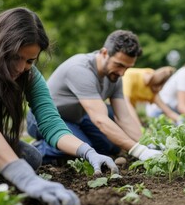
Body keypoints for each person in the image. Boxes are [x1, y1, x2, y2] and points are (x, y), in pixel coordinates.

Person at [0, 7, 119, 205]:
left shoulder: (27, 74)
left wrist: (89, 152)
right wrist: (24, 178)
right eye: (14, 57)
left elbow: (51, 123)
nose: (20, 68)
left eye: (29, 60)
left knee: (31, 157)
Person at [27, 30, 163, 161]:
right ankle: (34, 150)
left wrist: (148, 143)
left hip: (76, 119)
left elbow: (124, 118)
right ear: (104, 53)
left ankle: (68, 139)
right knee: (82, 148)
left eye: (127, 67)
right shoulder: (81, 69)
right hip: (44, 119)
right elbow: (100, 119)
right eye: (119, 65)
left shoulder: (115, 77)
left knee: (110, 146)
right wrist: (139, 151)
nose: (122, 73)